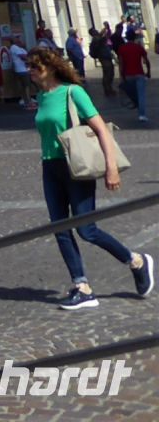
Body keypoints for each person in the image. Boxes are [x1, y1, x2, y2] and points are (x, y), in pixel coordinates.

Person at [25, 48, 154, 309]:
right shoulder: (41, 96)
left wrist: (111, 168)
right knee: (59, 228)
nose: (30, 72)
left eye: (34, 67)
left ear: (49, 68)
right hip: (50, 167)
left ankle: (136, 261)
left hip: (77, 166)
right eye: (29, 67)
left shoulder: (73, 93)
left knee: (87, 230)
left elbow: (101, 130)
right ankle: (81, 286)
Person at [115, 28, 151, 123]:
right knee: (141, 95)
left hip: (128, 75)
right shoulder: (138, 47)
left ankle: (137, 105)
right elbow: (146, 60)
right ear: (134, 37)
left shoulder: (122, 48)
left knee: (133, 94)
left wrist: (121, 76)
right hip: (139, 73)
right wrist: (148, 71)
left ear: (126, 37)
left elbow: (121, 63)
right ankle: (142, 115)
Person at [92, 25, 118, 100]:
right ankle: (107, 89)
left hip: (106, 57)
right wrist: (105, 30)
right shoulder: (98, 39)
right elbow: (103, 38)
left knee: (110, 73)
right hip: (104, 58)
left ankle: (109, 88)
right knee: (107, 74)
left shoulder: (100, 39)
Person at [7, 34, 33, 107]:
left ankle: (27, 99)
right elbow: (23, 57)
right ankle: (28, 100)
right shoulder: (14, 47)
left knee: (25, 85)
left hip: (23, 69)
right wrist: (30, 59)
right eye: (17, 38)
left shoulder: (19, 48)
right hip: (21, 69)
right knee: (26, 85)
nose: (19, 40)